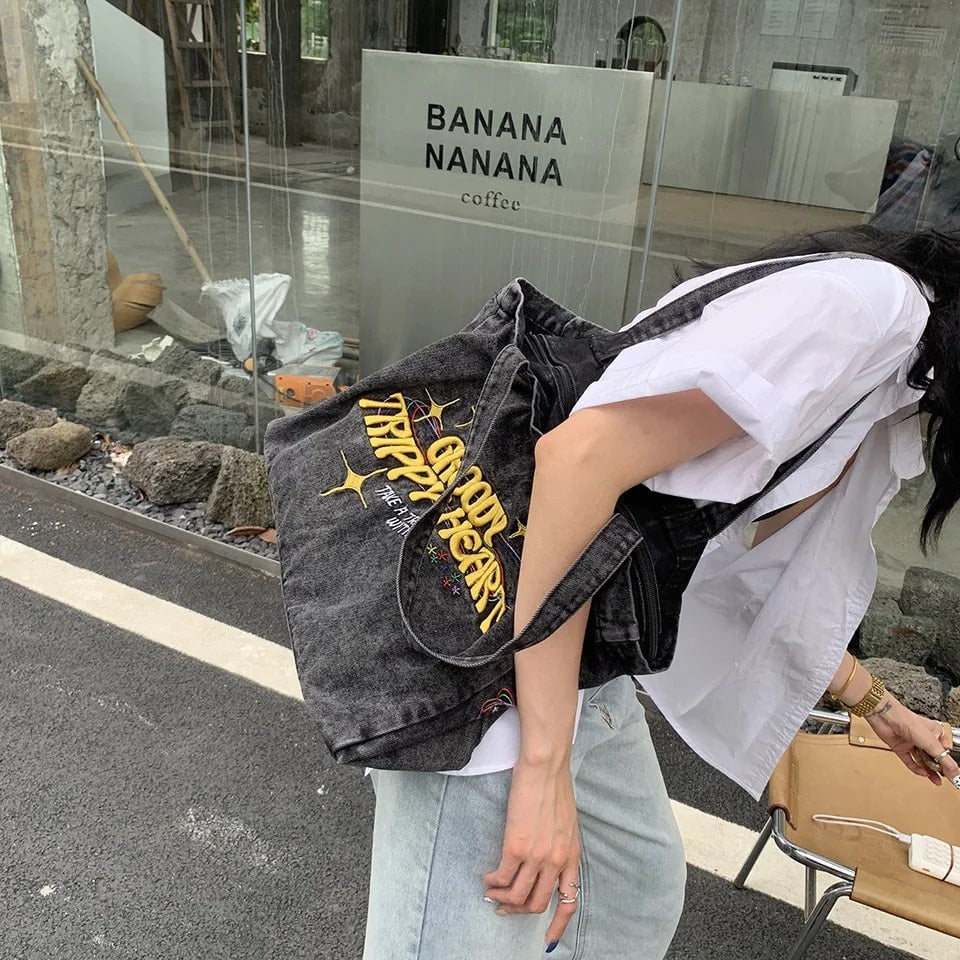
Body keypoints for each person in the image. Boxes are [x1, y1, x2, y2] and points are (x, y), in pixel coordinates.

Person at [361, 226, 960, 960]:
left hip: (575, 635)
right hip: (495, 629)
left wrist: (880, 707)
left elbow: (735, 570)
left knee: (629, 900)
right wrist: (543, 768)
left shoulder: (895, 356)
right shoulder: (872, 310)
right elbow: (577, 461)